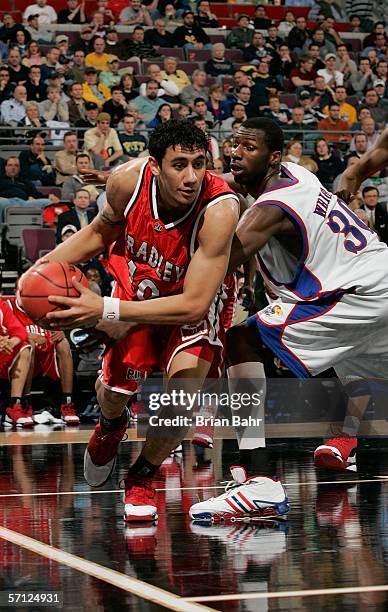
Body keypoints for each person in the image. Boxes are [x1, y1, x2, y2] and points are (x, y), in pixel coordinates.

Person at [31, 120, 243, 523]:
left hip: (196, 296)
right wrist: (41, 269)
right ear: (155, 166)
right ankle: (112, 423)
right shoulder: (127, 182)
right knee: (114, 388)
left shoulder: (220, 209)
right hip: (141, 285)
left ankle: (142, 475)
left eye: (200, 164)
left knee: (183, 396)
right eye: (179, 164)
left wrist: (105, 311)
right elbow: (97, 232)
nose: (191, 176)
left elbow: (193, 306)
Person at [191, 115, 388, 517]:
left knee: (242, 341)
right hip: (374, 280)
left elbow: (217, 263)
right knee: (359, 369)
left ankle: (258, 479)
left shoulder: (272, 207)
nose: (236, 153)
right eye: (234, 144)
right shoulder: (297, 173)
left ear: (274, 156)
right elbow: (222, 181)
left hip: (357, 293)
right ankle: (341, 442)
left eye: (248, 148)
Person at [7, 294, 79, 425]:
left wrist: (64, 332)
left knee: (63, 343)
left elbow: (74, 324)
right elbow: (5, 334)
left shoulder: (46, 307)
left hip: (46, 359)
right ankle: (23, 404)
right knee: (29, 346)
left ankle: (67, 403)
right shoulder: (9, 306)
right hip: (20, 360)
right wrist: (26, 335)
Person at [0, 299, 33, 428]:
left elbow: (19, 330)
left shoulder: (2, 305)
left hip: (3, 350)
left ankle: (15, 405)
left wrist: (10, 342)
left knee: (24, 347)